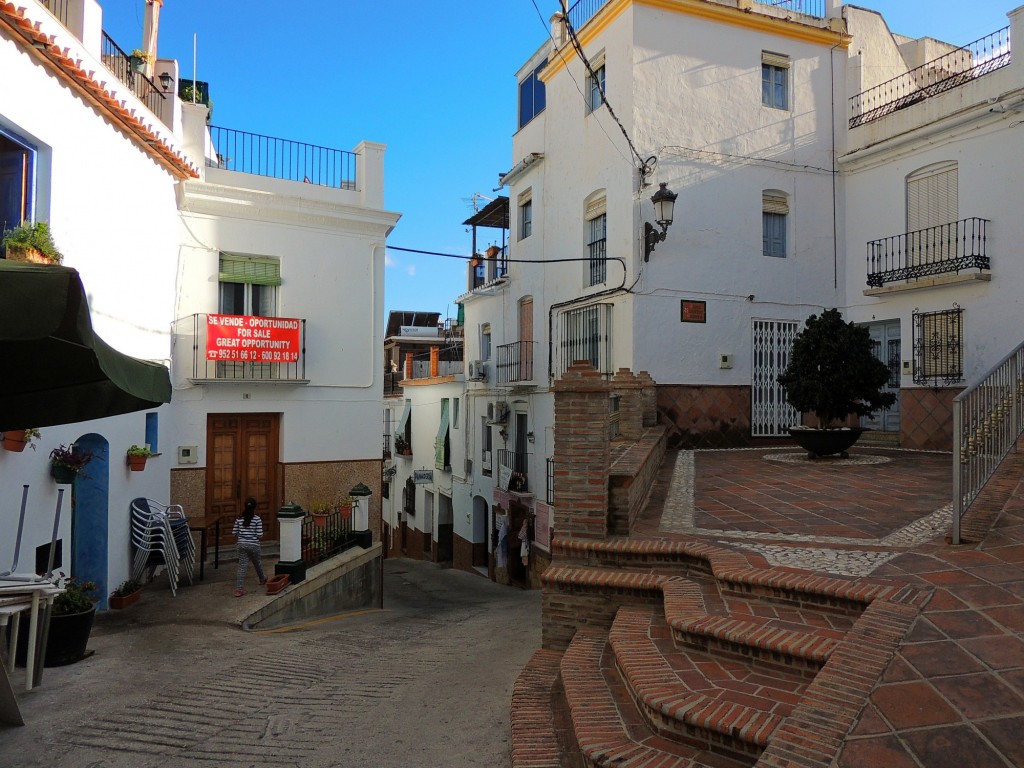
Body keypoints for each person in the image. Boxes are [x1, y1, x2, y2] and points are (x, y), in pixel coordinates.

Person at [232, 498, 266, 597]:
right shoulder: (257, 519)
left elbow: (234, 533)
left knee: (242, 566)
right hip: (254, 545)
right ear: (255, 507)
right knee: (257, 563)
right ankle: (262, 579)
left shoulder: (239, 518)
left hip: (241, 545)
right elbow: (260, 535)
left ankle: (239, 589)